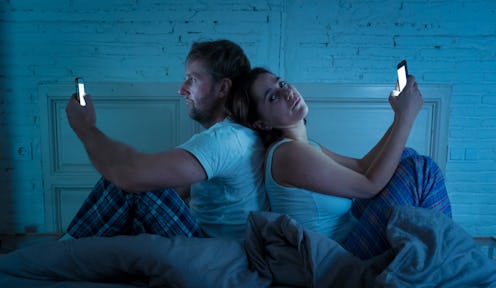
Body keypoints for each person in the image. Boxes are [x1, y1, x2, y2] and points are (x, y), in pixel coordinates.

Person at [230, 67, 452, 259]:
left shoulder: (307, 146)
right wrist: (406, 117)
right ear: (262, 124)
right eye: (273, 97)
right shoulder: (288, 154)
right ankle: (446, 258)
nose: (286, 91)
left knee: (405, 155)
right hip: (341, 259)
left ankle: (438, 256)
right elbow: (369, 185)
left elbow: (362, 167)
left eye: (282, 83)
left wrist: (398, 116)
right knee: (421, 170)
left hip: (351, 236)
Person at [63, 40, 269, 241]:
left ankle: (61, 253)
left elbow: (128, 175)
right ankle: (79, 252)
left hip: (213, 249)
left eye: (192, 79)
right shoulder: (239, 134)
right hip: (217, 240)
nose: (181, 89)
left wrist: (84, 126)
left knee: (128, 179)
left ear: (223, 88)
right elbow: (187, 188)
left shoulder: (224, 140)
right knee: (140, 179)